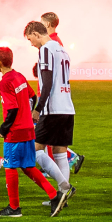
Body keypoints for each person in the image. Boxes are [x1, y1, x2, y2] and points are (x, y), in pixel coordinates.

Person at [0, 46, 60, 217]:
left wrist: (2, 129)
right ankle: (55, 195)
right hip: (28, 130)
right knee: (28, 167)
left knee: (10, 167)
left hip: (16, 133)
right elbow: (33, 96)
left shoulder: (5, 82)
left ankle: (14, 208)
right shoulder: (19, 76)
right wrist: (29, 115)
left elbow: (11, 110)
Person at [26, 21, 75, 210]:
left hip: (52, 108)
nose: (31, 44)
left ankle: (65, 187)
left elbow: (45, 83)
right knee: (59, 153)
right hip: (67, 108)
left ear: (36, 34)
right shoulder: (63, 50)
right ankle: (63, 197)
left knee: (35, 151)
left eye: (31, 39)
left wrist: (38, 108)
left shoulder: (46, 50)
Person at [35, 12, 84, 172]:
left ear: (48, 25)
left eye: (42, 23)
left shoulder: (49, 45)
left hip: (51, 100)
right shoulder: (59, 45)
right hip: (62, 103)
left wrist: (39, 106)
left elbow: (49, 77)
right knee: (56, 146)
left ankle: (56, 168)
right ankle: (64, 186)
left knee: (36, 145)